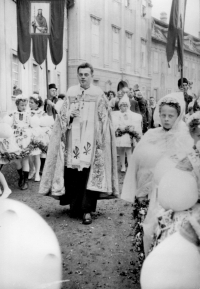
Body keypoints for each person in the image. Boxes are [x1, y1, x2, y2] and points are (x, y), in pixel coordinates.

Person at [121, 92, 193, 283]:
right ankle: (147, 266)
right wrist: (140, 190)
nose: (167, 119)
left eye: (171, 115)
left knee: (165, 230)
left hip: (171, 193)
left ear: (178, 116)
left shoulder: (185, 136)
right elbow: (139, 162)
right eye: (163, 115)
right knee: (146, 228)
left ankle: (168, 271)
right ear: (158, 115)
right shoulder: (152, 134)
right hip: (149, 190)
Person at [39, 62, 119, 225]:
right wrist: (68, 114)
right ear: (78, 75)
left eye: (86, 74)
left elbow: (105, 119)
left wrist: (101, 138)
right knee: (73, 174)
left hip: (91, 142)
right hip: (72, 141)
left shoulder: (98, 94)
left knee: (87, 175)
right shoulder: (70, 92)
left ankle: (87, 210)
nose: (83, 77)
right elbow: (61, 118)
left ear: (92, 75)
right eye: (80, 74)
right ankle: (75, 207)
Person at [150, 111, 200, 250]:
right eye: (199, 136)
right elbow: (178, 184)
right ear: (192, 136)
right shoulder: (190, 158)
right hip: (193, 203)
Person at [113, 94, 142, 172]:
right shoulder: (117, 114)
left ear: (128, 106)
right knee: (121, 151)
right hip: (121, 134)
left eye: (126, 105)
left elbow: (134, 123)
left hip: (129, 135)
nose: (124, 107)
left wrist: (131, 129)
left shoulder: (132, 115)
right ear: (120, 106)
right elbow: (115, 124)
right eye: (122, 105)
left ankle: (129, 166)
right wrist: (120, 128)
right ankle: (123, 166)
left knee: (129, 151)